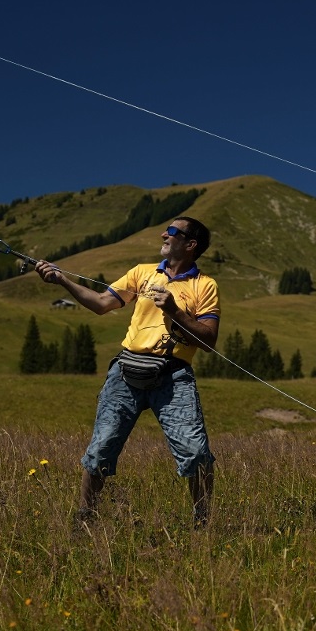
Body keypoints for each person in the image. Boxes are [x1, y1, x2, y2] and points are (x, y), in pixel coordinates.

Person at [35, 217, 220, 528]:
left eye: (173, 232)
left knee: (195, 451)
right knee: (101, 447)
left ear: (191, 245)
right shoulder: (142, 272)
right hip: (125, 371)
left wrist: (174, 310)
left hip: (174, 376)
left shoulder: (205, 285)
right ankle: (85, 519)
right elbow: (102, 303)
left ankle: (203, 524)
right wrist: (62, 280)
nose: (164, 234)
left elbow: (209, 340)